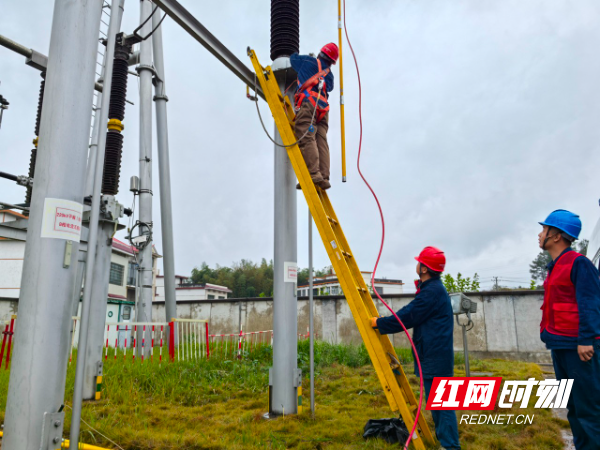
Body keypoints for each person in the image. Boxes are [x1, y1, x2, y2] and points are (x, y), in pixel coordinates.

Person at [370, 246, 461, 450]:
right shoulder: (432, 290)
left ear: (424, 269)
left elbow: (408, 316)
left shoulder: (432, 292)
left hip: (434, 357)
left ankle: (450, 447)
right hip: (435, 355)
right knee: (439, 403)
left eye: (419, 262)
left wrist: (380, 323)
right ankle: (447, 444)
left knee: (441, 405)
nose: (416, 264)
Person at [538, 209, 600, 450]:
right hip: (561, 346)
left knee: (588, 409)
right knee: (573, 406)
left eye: (544, 229)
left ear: (556, 236)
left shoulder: (579, 263)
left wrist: (586, 339)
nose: (540, 234)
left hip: (579, 348)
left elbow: (590, 303)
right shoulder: (555, 266)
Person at [290, 43, 338, 191]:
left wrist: (297, 53)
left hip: (309, 104)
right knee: (321, 140)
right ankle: (324, 176)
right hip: (323, 109)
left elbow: (292, 59)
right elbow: (329, 88)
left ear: (321, 53)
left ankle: (313, 173)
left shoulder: (308, 61)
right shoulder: (329, 75)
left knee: (306, 135)